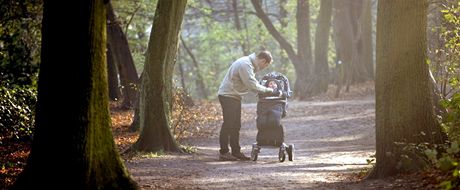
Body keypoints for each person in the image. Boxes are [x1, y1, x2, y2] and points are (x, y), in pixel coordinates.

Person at [217, 50, 280, 161]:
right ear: (262, 60)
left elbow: (252, 83)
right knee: (228, 124)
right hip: (228, 95)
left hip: (234, 96)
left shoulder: (248, 64)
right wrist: (269, 91)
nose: (264, 67)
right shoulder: (245, 64)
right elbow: (251, 84)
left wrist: (262, 90)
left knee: (236, 125)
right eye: (266, 65)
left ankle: (235, 151)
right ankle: (224, 152)